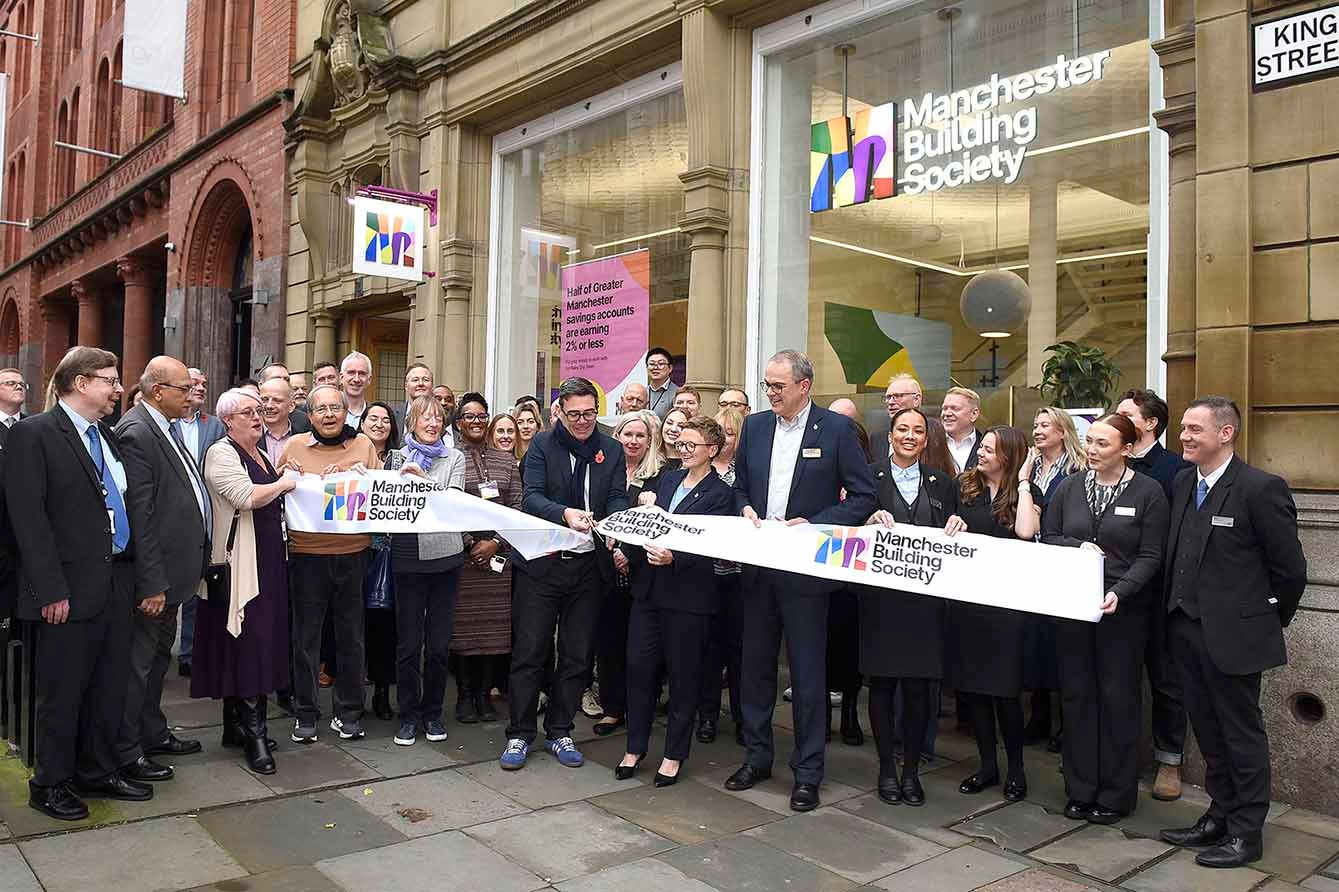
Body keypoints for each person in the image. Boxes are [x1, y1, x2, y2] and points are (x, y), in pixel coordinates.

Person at [1158, 397, 1306, 869]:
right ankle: (1218, 817)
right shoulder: (1184, 483)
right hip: (1184, 630)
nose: (1184, 436)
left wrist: (1261, 621)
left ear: (1226, 434)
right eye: (1183, 428)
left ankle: (1247, 832)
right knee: (1207, 731)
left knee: (1240, 735)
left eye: (1194, 429)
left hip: (1234, 638)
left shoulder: (1260, 489)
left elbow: (1290, 571)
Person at [726, 350, 875, 813]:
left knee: (809, 677)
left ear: (804, 386)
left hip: (806, 573)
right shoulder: (754, 427)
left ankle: (808, 773)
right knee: (754, 669)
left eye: (778, 386)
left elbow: (863, 495)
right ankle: (757, 757)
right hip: (758, 569)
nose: (770, 392)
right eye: (767, 385)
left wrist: (814, 524)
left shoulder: (835, 430)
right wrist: (744, 508)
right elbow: (739, 488)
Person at [8, 347, 152, 818]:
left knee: (108, 686)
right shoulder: (35, 434)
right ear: (81, 382)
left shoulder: (106, 437)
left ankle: (96, 770)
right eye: (110, 379)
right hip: (65, 592)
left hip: (114, 581)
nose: (117, 388)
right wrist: (50, 590)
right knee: (63, 692)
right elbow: (28, 520)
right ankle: (49, 782)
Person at [1042, 413, 1169, 825]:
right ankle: (1080, 789)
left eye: (1102, 444)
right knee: (1077, 696)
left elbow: (1152, 555)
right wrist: (1078, 545)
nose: (1092, 450)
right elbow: (1050, 536)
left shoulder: (1149, 493)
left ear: (1126, 449)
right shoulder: (1069, 487)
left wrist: (1121, 591)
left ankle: (1115, 794)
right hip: (1074, 609)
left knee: (1118, 699)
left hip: (1124, 613)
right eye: (1090, 441)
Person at [500, 377, 628, 771]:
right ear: (560, 412)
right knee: (530, 651)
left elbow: (616, 496)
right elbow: (532, 495)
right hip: (543, 565)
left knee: (576, 654)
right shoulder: (542, 444)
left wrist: (618, 524)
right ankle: (520, 734)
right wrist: (564, 513)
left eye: (590, 413)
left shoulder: (611, 448)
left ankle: (560, 730)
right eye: (574, 414)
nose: (583, 421)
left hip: (588, 568)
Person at [616, 416, 735, 786]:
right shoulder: (666, 480)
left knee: (684, 676)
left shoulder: (720, 494)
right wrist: (625, 544)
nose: (682, 451)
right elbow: (645, 522)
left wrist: (676, 558)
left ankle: (674, 754)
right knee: (638, 668)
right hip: (649, 593)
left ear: (711, 450)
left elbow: (713, 543)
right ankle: (634, 746)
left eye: (690, 446)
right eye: (680, 444)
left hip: (688, 599)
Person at [113, 356, 211, 784]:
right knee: (138, 666)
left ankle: (151, 732)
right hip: (154, 581)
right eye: (182, 389)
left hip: (173, 577)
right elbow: (142, 516)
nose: (190, 396)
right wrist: (152, 582)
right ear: (158, 392)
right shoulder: (138, 432)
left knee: (155, 664)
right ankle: (127, 749)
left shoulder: (164, 428)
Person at [861, 407, 960, 806]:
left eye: (918, 431)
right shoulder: (869, 479)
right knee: (882, 687)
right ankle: (886, 768)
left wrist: (958, 527)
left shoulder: (942, 483)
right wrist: (867, 518)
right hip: (881, 605)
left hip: (924, 606)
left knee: (920, 690)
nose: (910, 436)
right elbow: (848, 527)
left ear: (926, 440)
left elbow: (955, 533)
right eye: (903, 429)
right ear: (891, 434)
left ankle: (912, 771)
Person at [195, 388, 297, 775]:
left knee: (252, 641)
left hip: (267, 559)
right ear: (228, 421)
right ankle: (254, 736)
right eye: (248, 412)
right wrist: (285, 482)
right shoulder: (222, 452)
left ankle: (234, 728)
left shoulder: (259, 452)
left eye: (259, 410)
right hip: (241, 564)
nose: (258, 416)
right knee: (248, 642)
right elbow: (245, 497)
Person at [277, 384, 382, 743]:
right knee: (306, 638)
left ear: (345, 411)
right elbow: (275, 497)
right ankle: (305, 712)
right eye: (321, 408)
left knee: (351, 638)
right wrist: (283, 477)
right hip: (307, 555)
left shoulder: (364, 446)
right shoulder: (293, 447)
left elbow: (383, 490)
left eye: (335, 407)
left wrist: (361, 473)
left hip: (354, 554)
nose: (329, 414)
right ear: (309, 414)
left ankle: (349, 712)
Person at [944, 425, 1040, 803]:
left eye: (988, 449)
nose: (980, 453)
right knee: (975, 691)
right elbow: (947, 529)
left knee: (1006, 693)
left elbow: (1025, 532)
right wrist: (954, 524)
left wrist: (1026, 481)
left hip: (1007, 606)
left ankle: (1015, 768)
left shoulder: (1023, 493)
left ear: (1008, 456)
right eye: (980, 447)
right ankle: (987, 765)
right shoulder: (963, 487)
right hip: (969, 602)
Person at [1118, 388, 1192, 801]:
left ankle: (1169, 762)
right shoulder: (1108, 462)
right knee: (1118, 678)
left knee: (1166, 681)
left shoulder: (1175, 470)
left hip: (1161, 595)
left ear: (1150, 424)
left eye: (1127, 413)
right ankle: (1117, 756)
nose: (1118, 417)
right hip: (1116, 593)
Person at [384, 395, 466, 745]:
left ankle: (432, 714)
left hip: (446, 557)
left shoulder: (455, 458)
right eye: (424, 417)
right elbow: (387, 501)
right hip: (406, 557)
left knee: (436, 644)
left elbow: (453, 501)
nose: (432, 423)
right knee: (408, 643)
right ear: (412, 422)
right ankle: (407, 715)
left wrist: (422, 481)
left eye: (438, 418)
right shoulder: (395, 458)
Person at [594, 410, 666, 738]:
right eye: (627, 434)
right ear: (617, 436)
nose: (633, 441)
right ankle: (612, 708)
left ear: (649, 441)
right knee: (608, 642)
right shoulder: (603, 469)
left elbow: (660, 525)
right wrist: (613, 550)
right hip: (603, 567)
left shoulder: (660, 477)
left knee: (639, 648)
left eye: (640, 436)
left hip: (642, 573)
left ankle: (641, 707)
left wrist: (628, 552)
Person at [451, 393, 521, 724]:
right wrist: (470, 544)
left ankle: (484, 695)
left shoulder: (506, 460)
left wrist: (495, 542)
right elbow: (446, 506)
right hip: (463, 559)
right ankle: (465, 696)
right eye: (469, 416)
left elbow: (517, 508)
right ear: (458, 422)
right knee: (465, 629)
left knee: (495, 629)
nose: (477, 422)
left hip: (499, 558)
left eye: (482, 416)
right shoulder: (451, 459)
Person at [1021, 408, 1087, 750]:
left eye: (1045, 425)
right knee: (1035, 640)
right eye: (1035, 424)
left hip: (1062, 563)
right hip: (1031, 564)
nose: (1038, 430)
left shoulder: (1077, 470)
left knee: (1061, 641)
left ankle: (1065, 724)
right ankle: (1039, 715)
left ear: (1063, 431)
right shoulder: (1029, 466)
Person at [700, 405, 746, 745]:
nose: (722, 439)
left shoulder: (743, 474)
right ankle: (708, 715)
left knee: (740, 651)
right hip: (705, 575)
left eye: (729, 433)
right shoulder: (698, 470)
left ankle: (744, 716)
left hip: (737, 575)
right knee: (708, 652)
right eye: (718, 432)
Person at [178, 367, 227, 678]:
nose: (200, 388)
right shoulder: (164, 425)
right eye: (194, 383)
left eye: (204, 384)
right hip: (173, 515)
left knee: (201, 586)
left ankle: (191, 653)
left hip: (207, 512)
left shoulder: (215, 426)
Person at [358, 402, 400, 721]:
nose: (379, 424)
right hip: (356, 550)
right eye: (373, 418)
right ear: (361, 423)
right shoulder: (349, 454)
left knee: (386, 627)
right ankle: (354, 692)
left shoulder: (401, 460)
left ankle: (383, 692)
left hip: (392, 552)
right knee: (355, 624)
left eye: (386, 420)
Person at [872, 374, 923, 466]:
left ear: (916, 399)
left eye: (897, 396)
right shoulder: (877, 438)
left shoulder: (933, 434)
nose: (891, 402)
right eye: (888, 397)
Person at [259, 377, 303, 468]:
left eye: (277, 400)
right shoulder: (247, 438)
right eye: (264, 400)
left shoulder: (303, 438)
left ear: (291, 406)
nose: (269, 406)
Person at [259, 363, 312, 434]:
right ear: (260, 385)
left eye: (286, 379)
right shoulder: (247, 419)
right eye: (277, 378)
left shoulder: (303, 421)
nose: (283, 382)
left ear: (291, 406)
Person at [395, 364, 439, 446]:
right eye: (415, 380)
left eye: (426, 380)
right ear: (406, 386)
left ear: (432, 386)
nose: (421, 384)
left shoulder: (440, 415)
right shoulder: (392, 414)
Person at [941, 387, 983, 472]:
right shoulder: (930, 443)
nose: (947, 413)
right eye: (944, 408)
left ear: (974, 414)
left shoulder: (986, 446)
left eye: (955, 409)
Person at [339, 352, 372, 429]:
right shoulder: (329, 413)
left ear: (369, 380)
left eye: (362, 373)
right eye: (351, 373)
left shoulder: (375, 416)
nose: (356, 379)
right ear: (341, 377)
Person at [646, 347, 678, 419]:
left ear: (670, 368)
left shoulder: (677, 393)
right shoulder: (643, 392)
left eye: (661, 363)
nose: (655, 367)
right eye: (651, 364)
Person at [659, 407, 689, 473]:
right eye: (669, 423)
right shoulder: (650, 457)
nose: (673, 429)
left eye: (681, 426)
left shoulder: (692, 464)